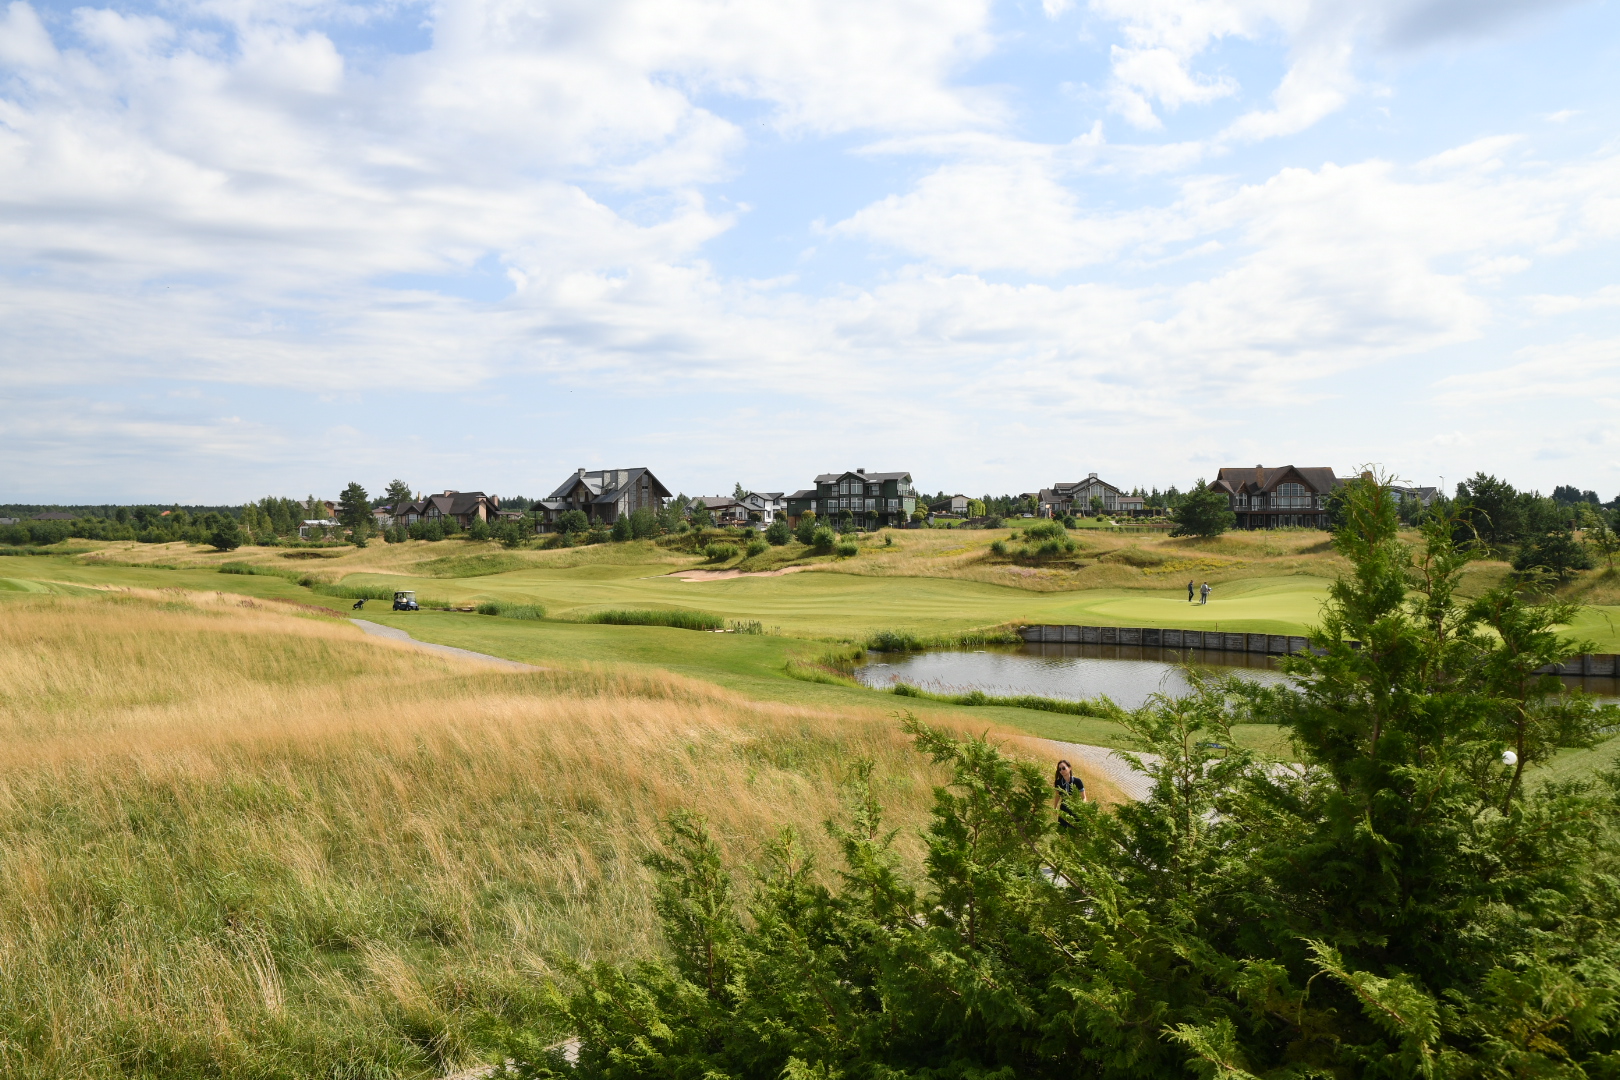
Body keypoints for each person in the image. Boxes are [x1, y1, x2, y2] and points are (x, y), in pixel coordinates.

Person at [1053, 759, 1086, 827]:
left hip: (1076, 808)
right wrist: (1055, 807)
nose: (1061, 771)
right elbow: (1057, 796)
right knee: (1062, 831)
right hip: (1063, 809)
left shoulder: (1077, 781)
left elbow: (1084, 797)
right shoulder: (1058, 782)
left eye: (1063, 768)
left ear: (1070, 768)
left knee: (1076, 831)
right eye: (1060, 769)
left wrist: (1082, 807)